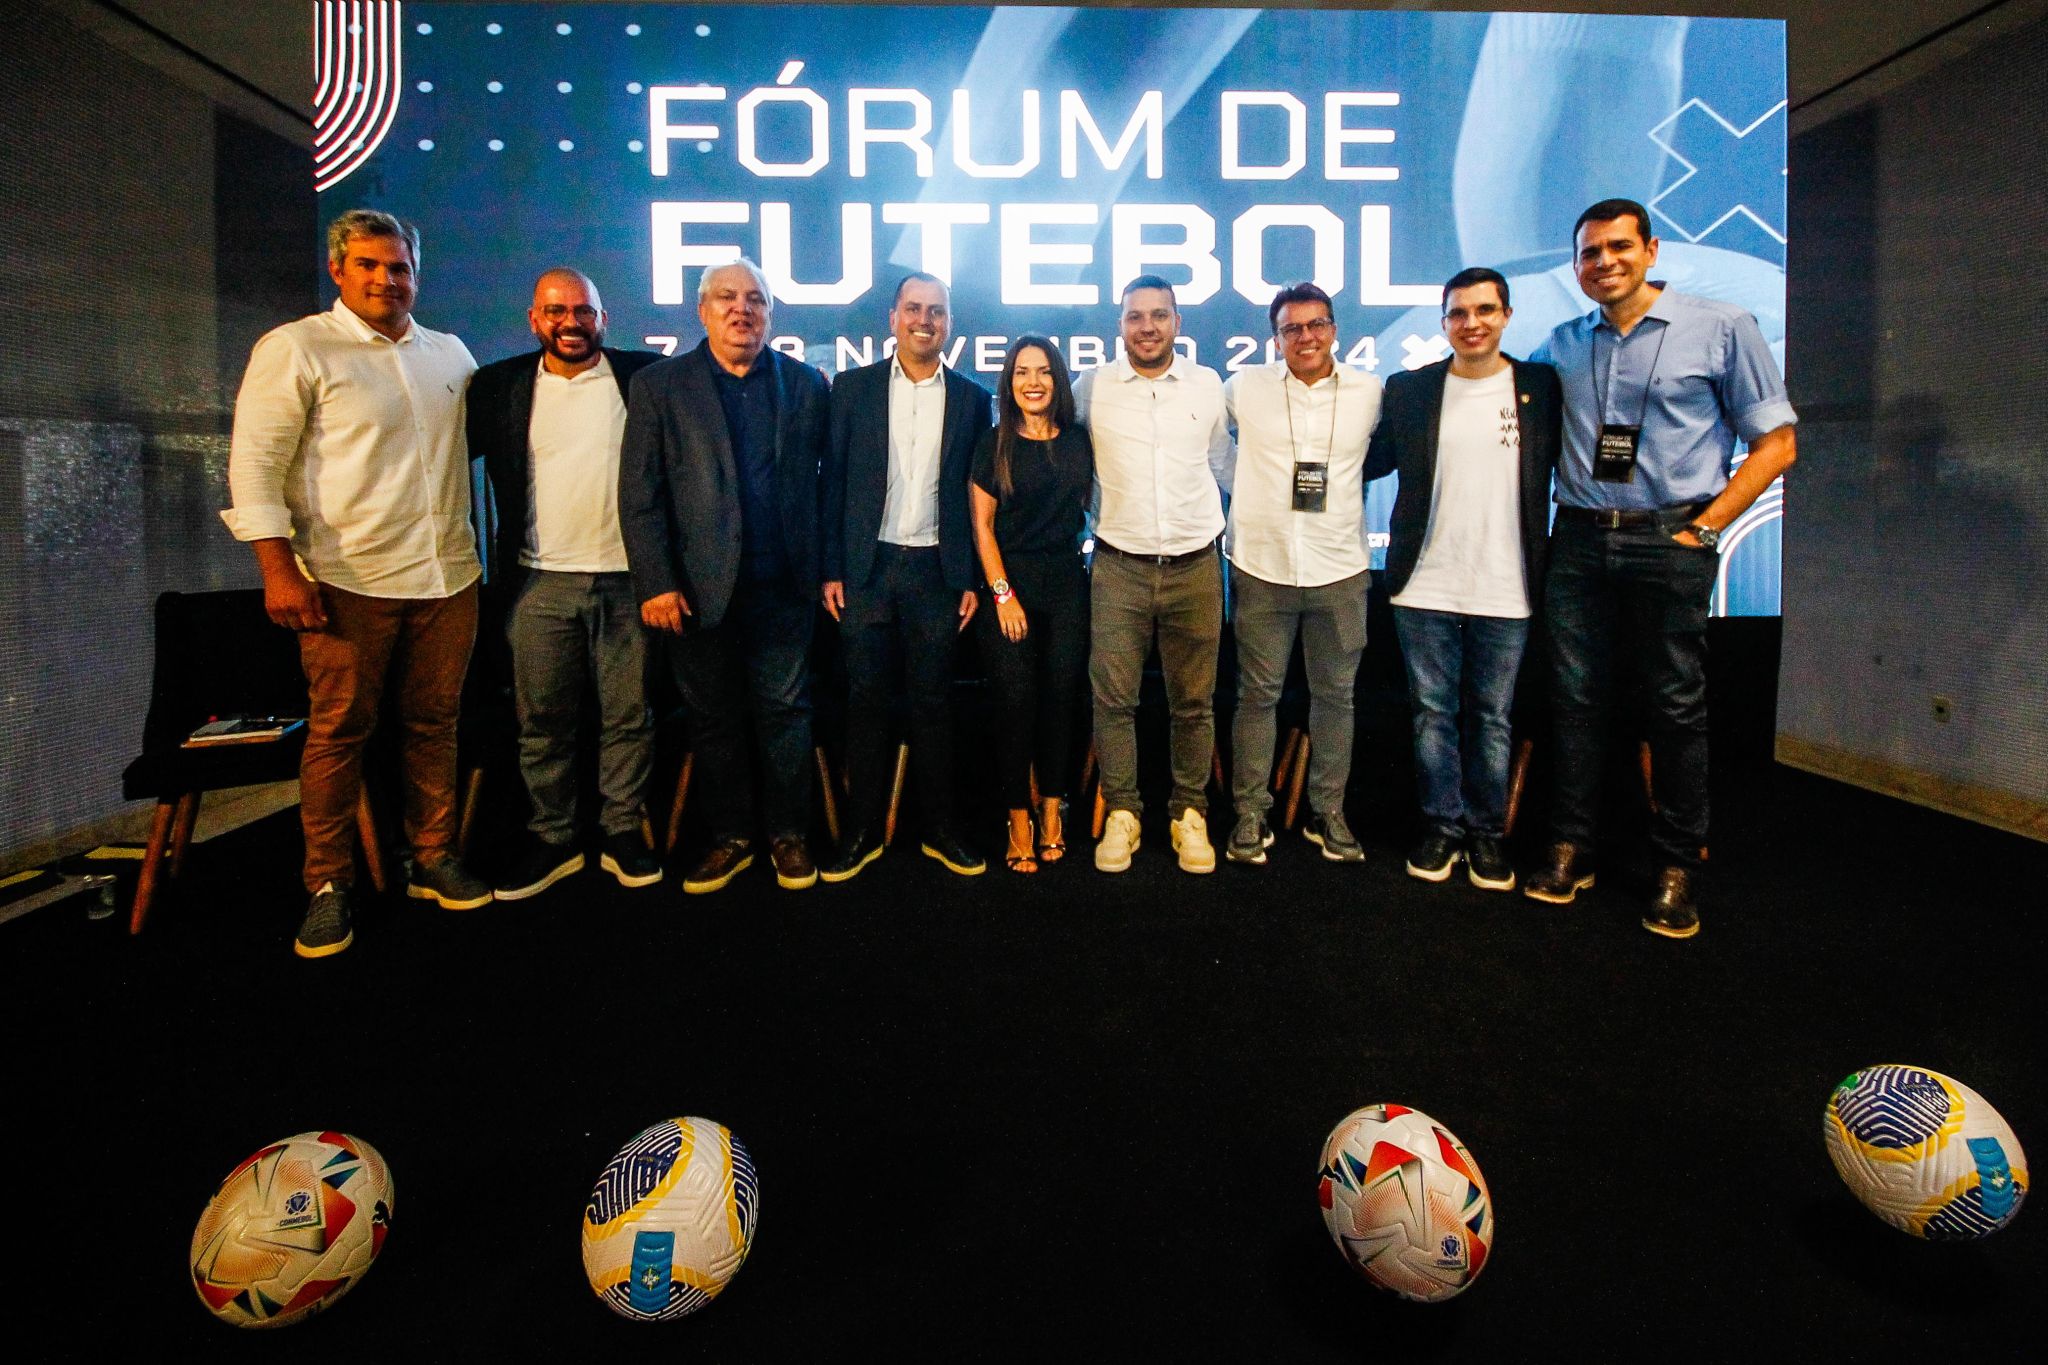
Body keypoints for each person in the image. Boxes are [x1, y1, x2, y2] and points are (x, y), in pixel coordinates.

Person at [1526, 198, 1797, 938]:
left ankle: (1676, 866)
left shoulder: (1722, 327)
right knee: (1574, 701)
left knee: (1675, 707)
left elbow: (1777, 443)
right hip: (1578, 541)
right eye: (1589, 252)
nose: (1604, 262)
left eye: (1619, 247)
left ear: (1651, 250)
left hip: (1668, 539)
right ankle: (1571, 847)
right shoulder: (1562, 343)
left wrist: (1705, 527)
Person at [223, 209, 490, 959]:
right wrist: (278, 569)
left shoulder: (450, 353)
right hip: (347, 582)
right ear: (338, 269)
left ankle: (433, 856)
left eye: (398, 267)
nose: (385, 279)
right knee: (339, 733)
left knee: (435, 724)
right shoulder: (296, 347)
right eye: (368, 265)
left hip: (448, 575)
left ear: (416, 274)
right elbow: (255, 466)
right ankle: (327, 884)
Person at [618, 258, 831, 895]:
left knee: (786, 713)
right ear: (703, 310)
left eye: (755, 299)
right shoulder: (659, 386)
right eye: (727, 298)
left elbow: (826, 489)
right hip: (695, 592)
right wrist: (656, 581)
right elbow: (639, 495)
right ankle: (731, 837)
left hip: (784, 588)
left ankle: (789, 835)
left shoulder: (806, 385)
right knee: (713, 720)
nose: (743, 309)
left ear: (770, 312)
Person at [468, 268, 663, 901]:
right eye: (556, 311)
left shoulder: (644, 378)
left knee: (629, 717)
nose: (570, 322)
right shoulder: (499, 387)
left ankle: (622, 830)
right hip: (538, 582)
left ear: (603, 318)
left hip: (630, 581)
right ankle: (553, 837)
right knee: (543, 721)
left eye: (583, 310)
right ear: (535, 319)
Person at [1365, 267, 1562, 891]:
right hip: (1424, 582)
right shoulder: (1410, 389)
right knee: (1432, 714)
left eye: (1484, 311)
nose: (1471, 323)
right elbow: (1364, 461)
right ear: (1444, 321)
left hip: (1507, 584)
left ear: (1506, 316)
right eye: (1458, 313)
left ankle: (1487, 834)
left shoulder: (1540, 387)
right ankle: (1441, 826)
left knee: (1492, 717)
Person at [818, 274, 993, 881]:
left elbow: (975, 496)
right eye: (914, 309)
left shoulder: (972, 399)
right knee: (865, 703)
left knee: (934, 704)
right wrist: (832, 567)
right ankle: (862, 832)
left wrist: (968, 577)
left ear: (950, 323)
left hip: (938, 574)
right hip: (866, 570)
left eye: (936, 311)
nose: (925, 320)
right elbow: (832, 482)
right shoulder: (852, 388)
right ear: (893, 318)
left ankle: (940, 830)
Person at [1074, 275, 1233, 874]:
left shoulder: (1207, 385)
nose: (1147, 327)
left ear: (1177, 323)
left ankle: (1189, 811)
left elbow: (1223, 464)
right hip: (1119, 567)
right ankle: (1123, 811)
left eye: (1159, 315)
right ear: (1120, 325)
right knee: (1114, 700)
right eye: (1136, 316)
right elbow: (1060, 453)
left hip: (1197, 565)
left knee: (1193, 702)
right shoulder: (1092, 387)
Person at [1220, 283, 1382, 866]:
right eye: (1292, 328)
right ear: (1276, 337)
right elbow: (1207, 445)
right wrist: (1249, 489)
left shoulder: (1370, 392)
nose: (1305, 337)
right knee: (1256, 697)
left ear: (1334, 330)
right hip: (1262, 565)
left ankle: (1327, 812)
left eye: (1316, 325)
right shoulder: (1244, 388)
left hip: (1339, 567)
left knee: (1336, 698)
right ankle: (1250, 813)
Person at [969, 337, 1094, 873]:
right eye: (1022, 372)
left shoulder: (1079, 441)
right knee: (1015, 704)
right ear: (1009, 382)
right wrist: (1003, 595)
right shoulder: (993, 443)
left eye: (1043, 371)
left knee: (1061, 701)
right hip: (1009, 588)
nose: (1033, 382)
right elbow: (982, 525)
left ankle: (1051, 812)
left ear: (1057, 379)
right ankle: (1017, 818)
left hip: (1067, 585)